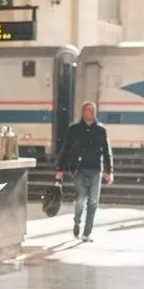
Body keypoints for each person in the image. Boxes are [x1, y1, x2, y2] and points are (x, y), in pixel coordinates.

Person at [55, 101, 113, 241]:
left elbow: (106, 151)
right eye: (88, 110)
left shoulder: (100, 129)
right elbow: (66, 148)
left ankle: (87, 232)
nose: (92, 113)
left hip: (95, 169)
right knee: (82, 197)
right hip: (78, 169)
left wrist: (109, 170)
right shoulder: (74, 129)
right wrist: (60, 168)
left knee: (93, 201)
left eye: (93, 110)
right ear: (83, 112)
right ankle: (77, 222)